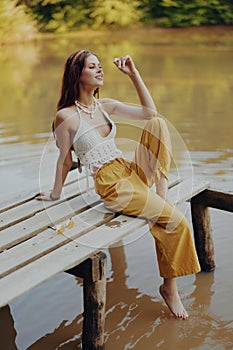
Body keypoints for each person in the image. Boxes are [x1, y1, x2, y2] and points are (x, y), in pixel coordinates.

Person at [35, 50, 200, 320]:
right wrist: (55, 194)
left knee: (158, 123)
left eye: (100, 66)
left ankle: (161, 194)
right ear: (78, 74)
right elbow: (64, 161)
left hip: (129, 170)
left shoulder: (105, 106)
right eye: (92, 66)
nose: (100, 70)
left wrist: (134, 75)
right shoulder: (65, 116)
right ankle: (170, 289)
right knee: (177, 222)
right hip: (111, 184)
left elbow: (149, 112)